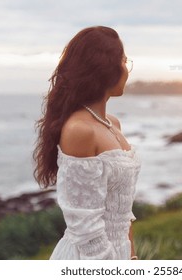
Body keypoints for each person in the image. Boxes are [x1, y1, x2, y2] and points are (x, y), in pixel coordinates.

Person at [33, 26, 140, 260]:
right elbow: (86, 228)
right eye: (124, 61)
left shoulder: (113, 124)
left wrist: (132, 257)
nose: (127, 69)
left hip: (119, 255)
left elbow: (123, 212)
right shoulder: (79, 131)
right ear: (105, 67)